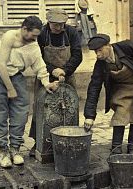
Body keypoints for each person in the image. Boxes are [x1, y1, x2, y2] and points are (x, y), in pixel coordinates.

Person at [0, 16, 59, 168]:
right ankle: (4, 151)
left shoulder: (33, 44)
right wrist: (10, 89)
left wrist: (47, 83)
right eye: (34, 34)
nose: (36, 38)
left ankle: (15, 149)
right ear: (25, 29)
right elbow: (2, 64)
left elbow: (39, 64)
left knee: (20, 113)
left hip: (17, 76)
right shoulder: (9, 36)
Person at [83, 34, 133, 154]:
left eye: (100, 50)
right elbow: (94, 88)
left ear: (108, 45)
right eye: (95, 52)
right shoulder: (100, 64)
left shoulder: (128, 47)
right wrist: (89, 116)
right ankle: (116, 147)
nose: (98, 54)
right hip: (121, 90)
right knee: (120, 115)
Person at [28, 8, 83, 157]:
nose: (58, 28)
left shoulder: (71, 33)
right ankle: (38, 142)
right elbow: (37, 57)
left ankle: (71, 139)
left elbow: (77, 55)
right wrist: (52, 70)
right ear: (49, 22)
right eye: (55, 25)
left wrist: (65, 71)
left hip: (67, 76)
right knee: (41, 109)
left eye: (61, 25)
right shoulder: (42, 34)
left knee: (69, 108)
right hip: (45, 76)